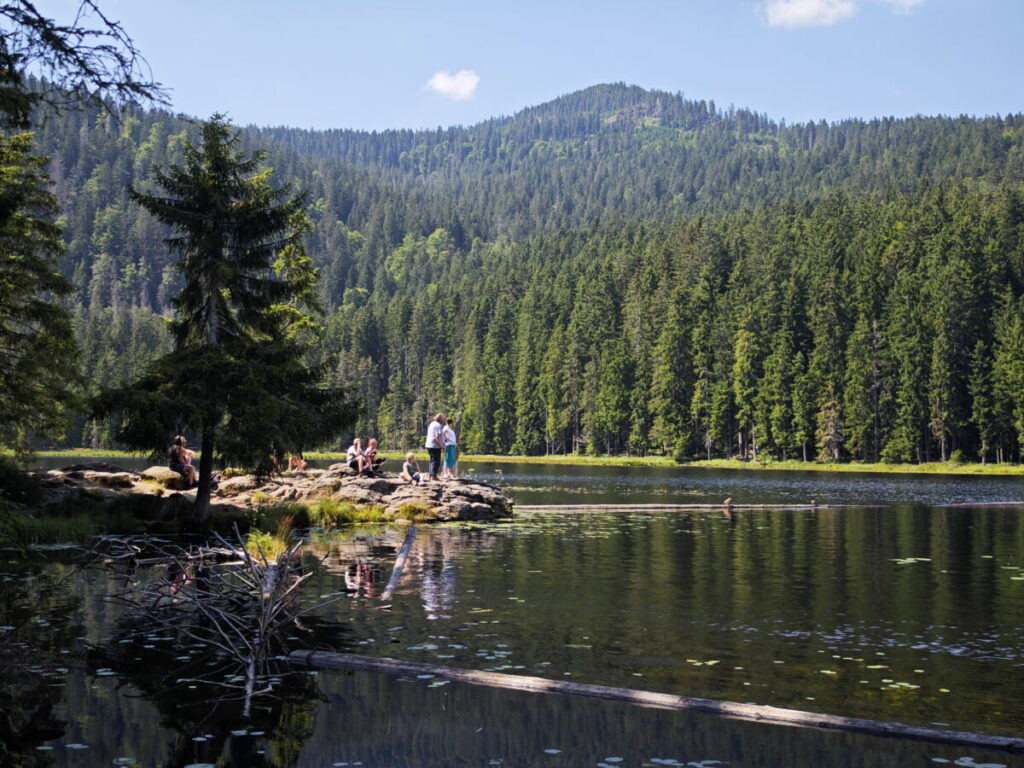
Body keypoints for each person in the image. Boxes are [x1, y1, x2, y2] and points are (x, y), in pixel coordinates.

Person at [424, 413, 445, 481]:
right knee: (436, 461)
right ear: (440, 418)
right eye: (443, 418)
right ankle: (434, 476)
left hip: (429, 445)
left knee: (432, 460)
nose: (444, 419)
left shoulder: (432, 423)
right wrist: (441, 445)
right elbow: (437, 437)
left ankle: (431, 474)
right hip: (434, 445)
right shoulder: (438, 425)